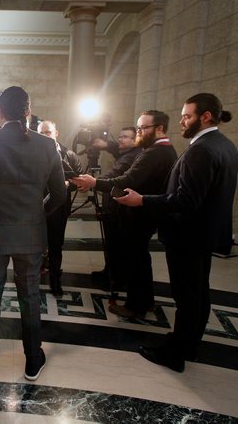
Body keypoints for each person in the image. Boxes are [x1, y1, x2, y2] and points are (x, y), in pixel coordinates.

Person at [116, 93, 238, 373]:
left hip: (188, 235)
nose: (182, 121)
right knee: (198, 292)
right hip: (206, 234)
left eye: (187, 115)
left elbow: (186, 200)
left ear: (205, 116)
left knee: (186, 296)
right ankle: (189, 343)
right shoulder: (225, 145)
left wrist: (143, 200)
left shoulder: (201, 149)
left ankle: (176, 353)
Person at [0, 86, 66, 385]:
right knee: (30, 296)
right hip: (30, 235)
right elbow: (60, 194)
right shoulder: (48, 145)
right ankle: (33, 361)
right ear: (28, 111)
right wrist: (38, 214)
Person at [71, 110, 177, 318]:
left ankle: (135, 306)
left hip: (139, 215)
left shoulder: (153, 153)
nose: (139, 132)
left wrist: (94, 182)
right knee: (140, 259)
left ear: (160, 128)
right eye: (138, 128)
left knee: (135, 261)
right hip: (146, 213)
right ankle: (144, 301)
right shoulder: (165, 150)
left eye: (143, 128)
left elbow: (127, 180)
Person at [89, 127, 142, 290]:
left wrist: (93, 182)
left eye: (125, 137)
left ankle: (116, 279)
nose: (120, 139)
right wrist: (105, 144)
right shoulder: (125, 152)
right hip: (113, 207)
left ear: (135, 140)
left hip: (120, 211)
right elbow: (114, 146)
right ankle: (109, 272)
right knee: (112, 244)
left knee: (117, 246)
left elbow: (115, 173)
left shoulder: (132, 156)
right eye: (119, 136)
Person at [37, 120, 82, 296]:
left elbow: (77, 180)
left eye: (47, 132)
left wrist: (65, 184)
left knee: (56, 244)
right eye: (40, 133)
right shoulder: (32, 153)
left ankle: (55, 279)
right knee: (36, 243)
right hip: (37, 206)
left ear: (56, 133)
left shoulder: (69, 155)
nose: (44, 136)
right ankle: (34, 273)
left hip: (58, 207)